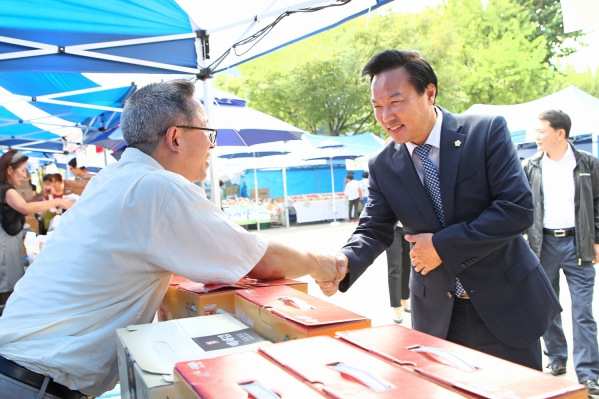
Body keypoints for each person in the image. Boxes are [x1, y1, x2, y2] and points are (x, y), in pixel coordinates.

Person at [0, 80, 345, 399]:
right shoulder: (156, 188)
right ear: (176, 137)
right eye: (209, 133)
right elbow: (261, 260)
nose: (213, 146)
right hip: (32, 382)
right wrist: (323, 264)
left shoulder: (116, 177)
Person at [319, 49, 560, 370]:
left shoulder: (484, 133)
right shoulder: (383, 165)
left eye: (395, 102)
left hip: (505, 306)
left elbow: (516, 209)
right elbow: (373, 229)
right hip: (438, 317)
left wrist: (442, 247)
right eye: (377, 106)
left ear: (429, 92)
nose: (386, 116)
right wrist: (343, 261)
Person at [522, 110, 599, 395]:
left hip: (578, 245)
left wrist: (597, 239)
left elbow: (598, 202)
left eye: (542, 131)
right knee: (547, 308)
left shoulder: (587, 163)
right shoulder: (531, 165)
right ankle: (556, 359)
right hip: (542, 245)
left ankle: (589, 372)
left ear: (560, 133)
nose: (537, 136)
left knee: (583, 312)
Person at [0, 151, 73, 316]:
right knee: (6, 285)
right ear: (10, 170)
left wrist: (41, 195)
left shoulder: (7, 190)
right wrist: (57, 200)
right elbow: (25, 208)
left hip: (8, 242)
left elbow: (23, 204)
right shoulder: (6, 189)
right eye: (23, 170)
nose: (24, 175)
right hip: (4, 244)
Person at [386, 222, 411, 324]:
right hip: (393, 228)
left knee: (408, 266)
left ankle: (403, 298)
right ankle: (396, 305)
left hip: (411, 228)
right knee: (395, 267)